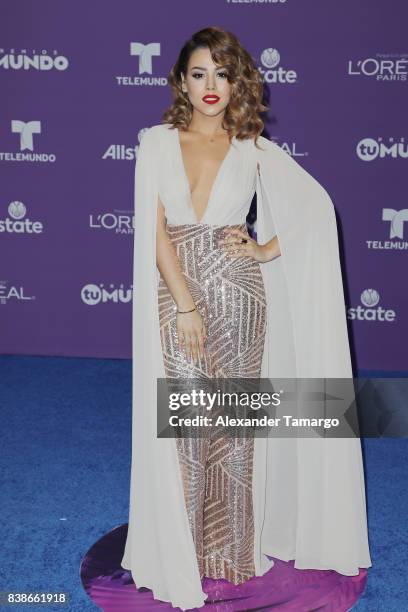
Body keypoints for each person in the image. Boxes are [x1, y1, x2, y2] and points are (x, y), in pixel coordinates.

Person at [121, 26, 372, 611]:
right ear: (181, 81)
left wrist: (261, 250)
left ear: (238, 82)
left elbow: (315, 212)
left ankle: (229, 552)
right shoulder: (155, 143)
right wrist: (184, 302)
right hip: (175, 291)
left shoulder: (252, 147)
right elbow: (153, 232)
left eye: (222, 73)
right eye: (199, 73)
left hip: (240, 294)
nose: (211, 86)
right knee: (181, 426)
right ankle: (178, 552)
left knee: (234, 431)